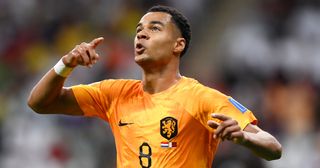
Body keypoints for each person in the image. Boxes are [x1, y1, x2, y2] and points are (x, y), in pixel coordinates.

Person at [28, 5, 282, 168]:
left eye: (154, 28)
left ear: (178, 45)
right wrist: (65, 64)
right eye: (139, 30)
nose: (141, 34)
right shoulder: (114, 93)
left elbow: (273, 148)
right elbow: (39, 103)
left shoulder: (200, 98)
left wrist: (243, 137)